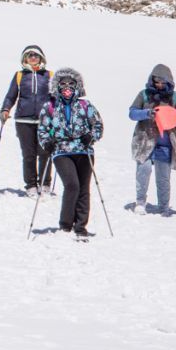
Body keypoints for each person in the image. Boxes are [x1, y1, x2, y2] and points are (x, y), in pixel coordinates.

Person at [38, 68, 104, 239]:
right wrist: (47, 142)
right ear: (57, 87)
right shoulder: (50, 106)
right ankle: (66, 224)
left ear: (77, 86)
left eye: (71, 84)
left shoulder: (85, 105)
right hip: (61, 151)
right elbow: (43, 129)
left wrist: (91, 136)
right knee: (72, 185)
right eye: (63, 84)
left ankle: (81, 226)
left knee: (83, 188)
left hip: (84, 150)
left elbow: (97, 125)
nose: (67, 88)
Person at [128, 64, 176, 215]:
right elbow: (132, 113)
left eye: (162, 82)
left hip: (166, 142)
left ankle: (164, 206)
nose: (159, 85)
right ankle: (140, 202)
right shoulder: (144, 95)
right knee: (144, 170)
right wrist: (147, 114)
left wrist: (171, 117)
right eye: (157, 81)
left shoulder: (175, 97)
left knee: (163, 176)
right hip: (145, 140)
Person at [0, 44, 53, 196]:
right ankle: (31, 185)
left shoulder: (49, 75)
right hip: (23, 120)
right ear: (25, 58)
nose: (33, 58)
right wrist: (5, 110)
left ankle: (45, 184)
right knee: (28, 154)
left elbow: (56, 98)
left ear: (41, 57)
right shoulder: (19, 75)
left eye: (36, 55)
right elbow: (11, 96)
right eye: (30, 55)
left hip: (45, 121)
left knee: (45, 153)